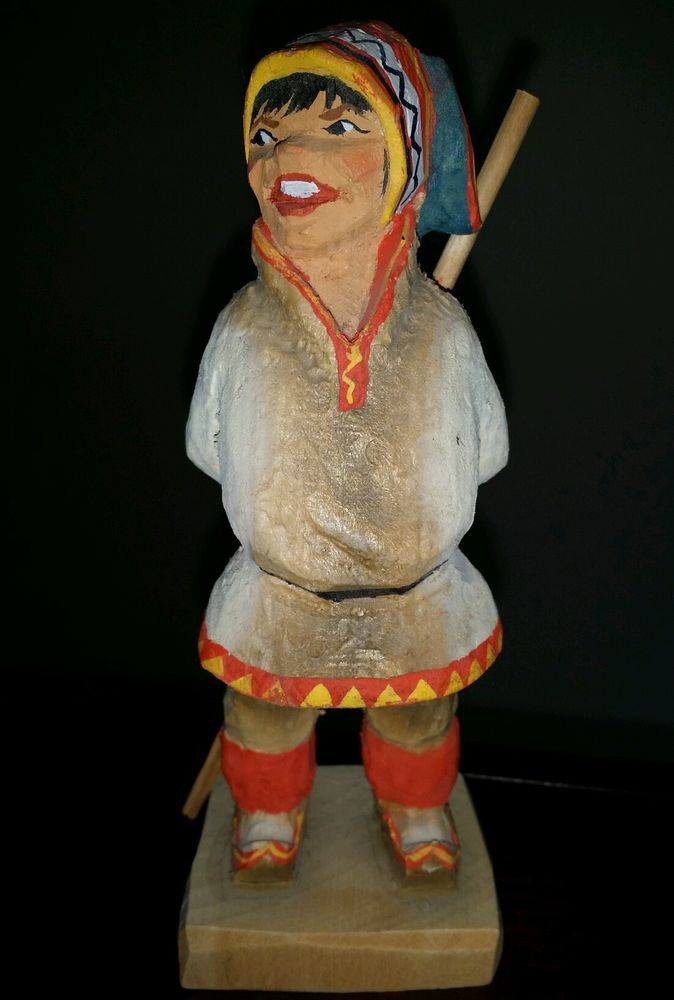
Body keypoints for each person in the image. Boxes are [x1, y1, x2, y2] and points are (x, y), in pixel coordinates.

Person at [187, 21, 508, 884]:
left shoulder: (444, 331)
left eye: (338, 126)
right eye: (266, 135)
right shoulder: (243, 328)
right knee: (262, 716)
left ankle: (415, 806)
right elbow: (211, 448)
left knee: (418, 718)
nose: (288, 152)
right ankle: (266, 812)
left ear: (405, 166)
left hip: (417, 603)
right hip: (279, 602)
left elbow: (484, 451)